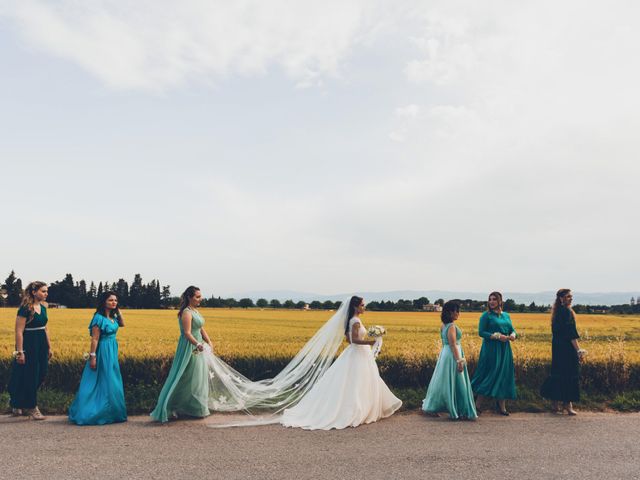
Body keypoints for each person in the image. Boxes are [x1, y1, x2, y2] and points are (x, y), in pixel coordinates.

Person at [279, 296, 402, 430]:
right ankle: (357, 409)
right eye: (362, 305)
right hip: (358, 353)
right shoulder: (355, 321)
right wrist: (371, 342)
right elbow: (354, 340)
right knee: (358, 381)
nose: (364, 307)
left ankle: (361, 406)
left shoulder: (352, 320)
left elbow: (349, 340)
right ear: (355, 307)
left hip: (356, 353)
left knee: (357, 380)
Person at [151, 286, 214, 422]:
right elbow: (187, 333)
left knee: (197, 377)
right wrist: (197, 344)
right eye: (197, 296)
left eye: (200, 296)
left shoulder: (195, 311)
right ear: (189, 298)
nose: (200, 299)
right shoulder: (186, 312)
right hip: (189, 347)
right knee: (183, 376)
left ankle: (196, 409)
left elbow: (201, 328)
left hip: (199, 347)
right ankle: (169, 406)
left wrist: (208, 341)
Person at [68, 291, 127, 425]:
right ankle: (96, 412)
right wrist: (92, 356)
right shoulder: (98, 318)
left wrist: (118, 310)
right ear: (104, 302)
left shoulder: (113, 318)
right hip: (102, 350)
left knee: (112, 379)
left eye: (116, 300)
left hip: (112, 349)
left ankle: (113, 412)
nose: (114, 302)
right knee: (101, 379)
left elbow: (122, 324)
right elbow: (95, 339)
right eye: (111, 300)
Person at [422, 300, 477, 420]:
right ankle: (461, 409)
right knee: (457, 381)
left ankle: (437, 405)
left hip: (445, 354)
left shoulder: (443, 325)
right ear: (450, 312)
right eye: (456, 311)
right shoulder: (451, 326)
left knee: (443, 381)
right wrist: (459, 361)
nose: (458, 313)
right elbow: (453, 344)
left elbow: (446, 343)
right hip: (453, 354)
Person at [8, 281, 52, 420]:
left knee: (42, 373)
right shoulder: (25, 308)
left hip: (41, 343)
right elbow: (19, 331)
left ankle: (18, 401)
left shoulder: (44, 308)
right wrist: (20, 352)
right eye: (43, 291)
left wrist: (49, 346)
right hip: (29, 344)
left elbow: (45, 328)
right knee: (29, 375)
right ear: (34, 292)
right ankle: (32, 407)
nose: (46, 294)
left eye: (46, 291)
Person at [540, 289, 586, 415]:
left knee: (558, 373)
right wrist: (578, 350)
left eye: (571, 296)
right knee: (570, 374)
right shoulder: (567, 312)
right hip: (567, 348)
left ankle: (555, 404)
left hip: (557, 347)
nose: (571, 298)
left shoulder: (557, 312)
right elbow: (571, 333)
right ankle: (567, 405)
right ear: (561, 298)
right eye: (568, 296)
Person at [471, 291, 517, 415]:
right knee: (489, 374)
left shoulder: (506, 315)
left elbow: (512, 329)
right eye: (490, 299)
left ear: (500, 301)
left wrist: (513, 335)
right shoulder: (486, 316)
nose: (491, 302)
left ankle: (502, 407)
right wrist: (496, 336)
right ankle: (477, 405)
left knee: (503, 375)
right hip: (491, 349)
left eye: (494, 299)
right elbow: (481, 332)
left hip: (505, 349)